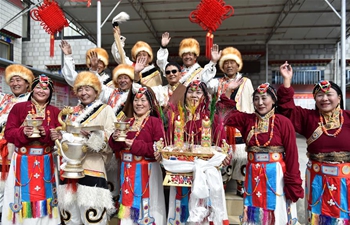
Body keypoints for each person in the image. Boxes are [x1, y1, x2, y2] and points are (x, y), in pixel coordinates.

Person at [219, 80, 304, 224]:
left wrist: (293, 182)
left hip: (277, 176)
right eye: (256, 99)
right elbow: (225, 115)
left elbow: (291, 154)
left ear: (274, 100)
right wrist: (228, 91)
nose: (260, 102)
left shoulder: (283, 122)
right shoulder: (248, 120)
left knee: (276, 211)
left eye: (264, 98)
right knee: (254, 211)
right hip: (253, 173)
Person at [277, 61, 350, 223]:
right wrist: (287, 81)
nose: (325, 99)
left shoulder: (348, 117)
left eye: (329, 94)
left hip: (346, 180)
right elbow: (286, 110)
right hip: (318, 178)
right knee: (317, 216)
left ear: (339, 98)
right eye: (319, 95)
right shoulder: (309, 118)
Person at [155, 80, 230, 225]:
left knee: (204, 211)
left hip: (205, 171)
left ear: (205, 96)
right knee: (180, 209)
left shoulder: (212, 117)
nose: (194, 95)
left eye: (198, 92)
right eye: (190, 91)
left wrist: (225, 156)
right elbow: (169, 144)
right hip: (181, 171)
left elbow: (222, 144)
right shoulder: (176, 118)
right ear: (184, 95)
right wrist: (161, 152)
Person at [53, 71, 116, 225]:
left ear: (96, 91)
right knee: (70, 217)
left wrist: (93, 136)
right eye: (80, 89)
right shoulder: (71, 112)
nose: (83, 93)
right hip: (68, 169)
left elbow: (113, 139)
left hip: (92, 166)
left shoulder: (106, 110)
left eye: (88, 89)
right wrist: (60, 137)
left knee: (93, 215)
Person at [2, 75, 61, 225]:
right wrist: (23, 132)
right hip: (22, 160)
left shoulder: (55, 111)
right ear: (32, 89)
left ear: (51, 91)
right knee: (21, 198)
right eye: (38, 87)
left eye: (46, 88)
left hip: (46, 160)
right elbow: (8, 133)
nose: (42, 91)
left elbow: (60, 135)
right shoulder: (19, 108)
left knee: (47, 198)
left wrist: (56, 134)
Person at [109, 86, 166, 225]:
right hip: (127, 170)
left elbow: (159, 148)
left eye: (143, 100)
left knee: (148, 205)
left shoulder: (155, 122)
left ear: (151, 104)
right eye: (136, 100)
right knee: (127, 204)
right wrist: (114, 137)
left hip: (148, 171)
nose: (139, 104)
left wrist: (135, 145)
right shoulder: (127, 122)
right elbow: (115, 146)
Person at [207, 47, 255, 196]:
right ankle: (222, 184)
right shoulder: (217, 83)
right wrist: (212, 63)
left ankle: (241, 185)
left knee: (241, 156)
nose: (229, 66)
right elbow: (205, 83)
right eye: (226, 63)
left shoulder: (246, 82)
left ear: (238, 65)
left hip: (240, 126)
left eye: (232, 62)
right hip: (223, 127)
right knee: (223, 155)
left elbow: (251, 104)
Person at [0, 64, 35, 216]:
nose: (15, 83)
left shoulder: (31, 101)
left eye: (19, 80)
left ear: (27, 83)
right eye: (12, 80)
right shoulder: (5, 99)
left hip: (15, 152)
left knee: (8, 189)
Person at [156, 32, 221, 86]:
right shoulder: (175, 71)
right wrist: (163, 47)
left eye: (190, 54)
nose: (187, 57)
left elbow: (208, 76)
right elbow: (163, 64)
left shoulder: (201, 72)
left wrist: (213, 61)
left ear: (195, 57)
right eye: (185, 54)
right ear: (181, 56)